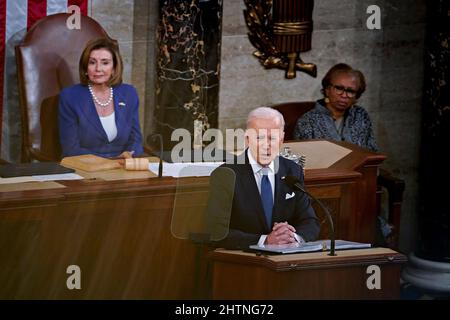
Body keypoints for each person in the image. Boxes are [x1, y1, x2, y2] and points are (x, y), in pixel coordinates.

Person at [206, 107, 320, 249]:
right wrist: (264, 241)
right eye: (259, 137)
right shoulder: (226, 174)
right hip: (244, 260)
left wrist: (293, 237)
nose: (266, 145)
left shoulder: (292, 170)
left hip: (286, 259)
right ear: (247, 139)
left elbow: (309, 221)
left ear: (281, 139)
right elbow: (216, 231)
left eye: (272, 138)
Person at [58, 38, 143, 158]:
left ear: (114, 68)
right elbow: (70, 149)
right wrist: (110, 161)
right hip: (85, 168)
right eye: (92, 62)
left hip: (122, 167)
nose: (98, 69)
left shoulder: (129, 93)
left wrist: (129, 154)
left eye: (105, 63)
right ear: (85, 68)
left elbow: (136, 140)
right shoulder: (70, 96)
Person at [293, 63, 378, 152]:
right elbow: (302, 159)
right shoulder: (308, 120)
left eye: (350, 91)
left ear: (357, 95)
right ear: (327, 89)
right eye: (339, 88)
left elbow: (372, 151)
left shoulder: (361, 115)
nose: (344, 95)